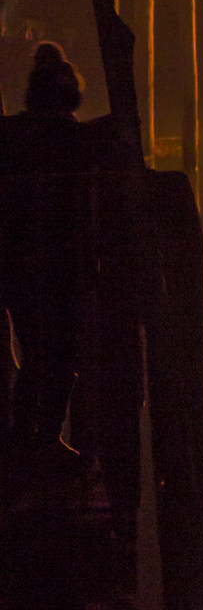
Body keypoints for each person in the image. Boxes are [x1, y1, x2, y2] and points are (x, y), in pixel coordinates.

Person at [0, 42, 92, 471]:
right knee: (58, 353)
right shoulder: (71, 140)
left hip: (16, 262)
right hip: (56, 264)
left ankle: (26, 436)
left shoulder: (12, 134)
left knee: (36, 351)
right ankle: (43, 437)